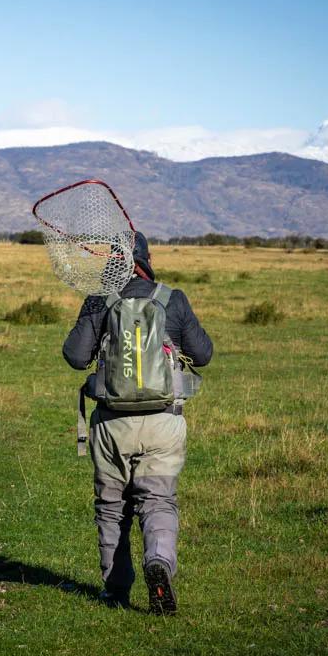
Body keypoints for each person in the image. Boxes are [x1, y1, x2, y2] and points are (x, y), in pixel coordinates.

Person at [62, 232, 212, 614]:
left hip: (112, 426)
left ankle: (115, 591)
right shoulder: (172, 298)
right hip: (163, 421)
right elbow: (204, 354)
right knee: (158, 500)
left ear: (112, 262)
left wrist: (94, 312)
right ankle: (158, 560)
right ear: (146, 259)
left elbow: (76, 357)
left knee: (112, 509)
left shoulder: (100, 300)